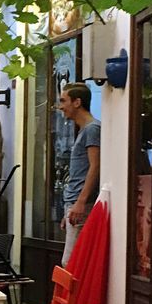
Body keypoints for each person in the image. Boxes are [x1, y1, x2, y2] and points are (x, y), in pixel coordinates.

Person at [58, 82, 101, 263]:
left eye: (63, 101)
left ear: (77, 102)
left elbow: (95, 166)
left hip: (81, 203)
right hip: (74, 203)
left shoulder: (92, 129)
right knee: (72, 262)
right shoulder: (85, 130)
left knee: (71, 263)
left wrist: (80, 202)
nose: (61, 107)